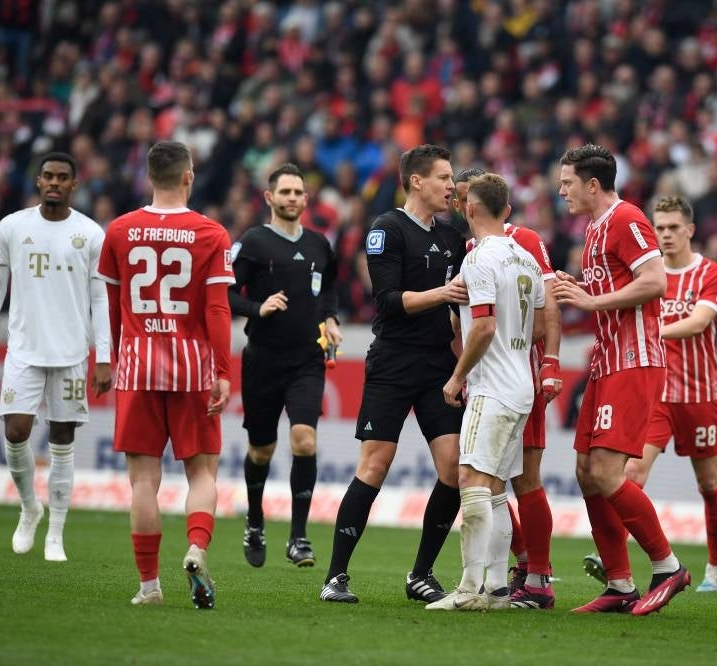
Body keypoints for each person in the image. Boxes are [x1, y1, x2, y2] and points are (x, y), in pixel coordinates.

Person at [320, 144, 468, 604]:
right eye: (444, 177)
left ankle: (421, 573)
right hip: (393, 361)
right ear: (417, 181)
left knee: (453, 468)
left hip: (437, 365)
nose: (451, 186)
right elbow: (386, 300)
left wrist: (463, 366)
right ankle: (336, 576)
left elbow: (457, 315)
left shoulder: (451, 237)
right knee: (375, 464)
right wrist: (444, 292)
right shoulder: (386, 228)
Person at [552, 144, 689, 616]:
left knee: (608, 473)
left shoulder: (627, 218)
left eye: (567, 182)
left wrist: (590, 302)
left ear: (593, 184)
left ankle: (668, 566)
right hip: (606, 360)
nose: (560, 190)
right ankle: (619, 583)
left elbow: (655, 282)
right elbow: (615, 289)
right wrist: (578, 290)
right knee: (586, 472)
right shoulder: (592, 229)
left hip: (635, 359)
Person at [97, 141, 234, 609]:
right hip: (193, 366)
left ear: (148, 177)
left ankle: (149, 586)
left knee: (142, 482)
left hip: (137, 364)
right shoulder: (211, 233)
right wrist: (223, 370)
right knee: (202, 472)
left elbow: (111, 308)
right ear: (188, 177)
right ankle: (196, 548)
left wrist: (112, 358)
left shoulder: (118, 231)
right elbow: (217, 307)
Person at [583, 196, 717, 593]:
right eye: (660, 227)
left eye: (673, 227)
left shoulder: (709, 273)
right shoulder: (643, 270)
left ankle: (716, 568)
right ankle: (620, 556)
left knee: (709, 482)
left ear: (690, 231)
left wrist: (652, 332)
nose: (665, 234)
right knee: (629, 472)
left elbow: (699, 321)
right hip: (658, 392)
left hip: (700, 393)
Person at [0, 152, 112, 562]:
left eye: (62, 177)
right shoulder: (12, 226)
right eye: (48, 176)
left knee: (62, 439)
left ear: (74, 185)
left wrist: (102, 356)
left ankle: (56, 533)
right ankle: (30, 507)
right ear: (38, 181)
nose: (54, 182)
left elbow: (100, 298)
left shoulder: (90, 233)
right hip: (23, 349)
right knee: (16, 432)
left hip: (70, 351)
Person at [425, 173, 546, 611]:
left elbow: (484, 326)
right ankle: (496, 590)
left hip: (492, 387)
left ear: (469, 208)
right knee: (494, 487)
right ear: (506, 210)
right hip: (521, 385)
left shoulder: (478, 260)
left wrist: (458, 377)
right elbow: (538, 325)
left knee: (470, 481)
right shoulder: (526, 259)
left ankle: (468, 589)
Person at [450, 167, 564, 609]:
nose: (457, 205)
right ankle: (512, 572)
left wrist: (551, 362)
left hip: (515, 371)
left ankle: (538, 575)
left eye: (462, 198)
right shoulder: (468, 248)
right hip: (494, 373)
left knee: (521, 477)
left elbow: (547, 307)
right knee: (492, 479)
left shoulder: (524, 243)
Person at [229, 163, 342, 569]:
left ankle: (298, 537)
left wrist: (331, 320)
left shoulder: (319, 245)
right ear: (269, 198)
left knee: (304, 441)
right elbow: (225, 293)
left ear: (305, 199)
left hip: (307, 360)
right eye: (286, 192)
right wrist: (259, 307)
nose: (292, 198)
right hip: (262, 360)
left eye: (298, 192)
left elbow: (329, 289)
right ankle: (255, 521)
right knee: (261, 449)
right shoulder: (254, 242)